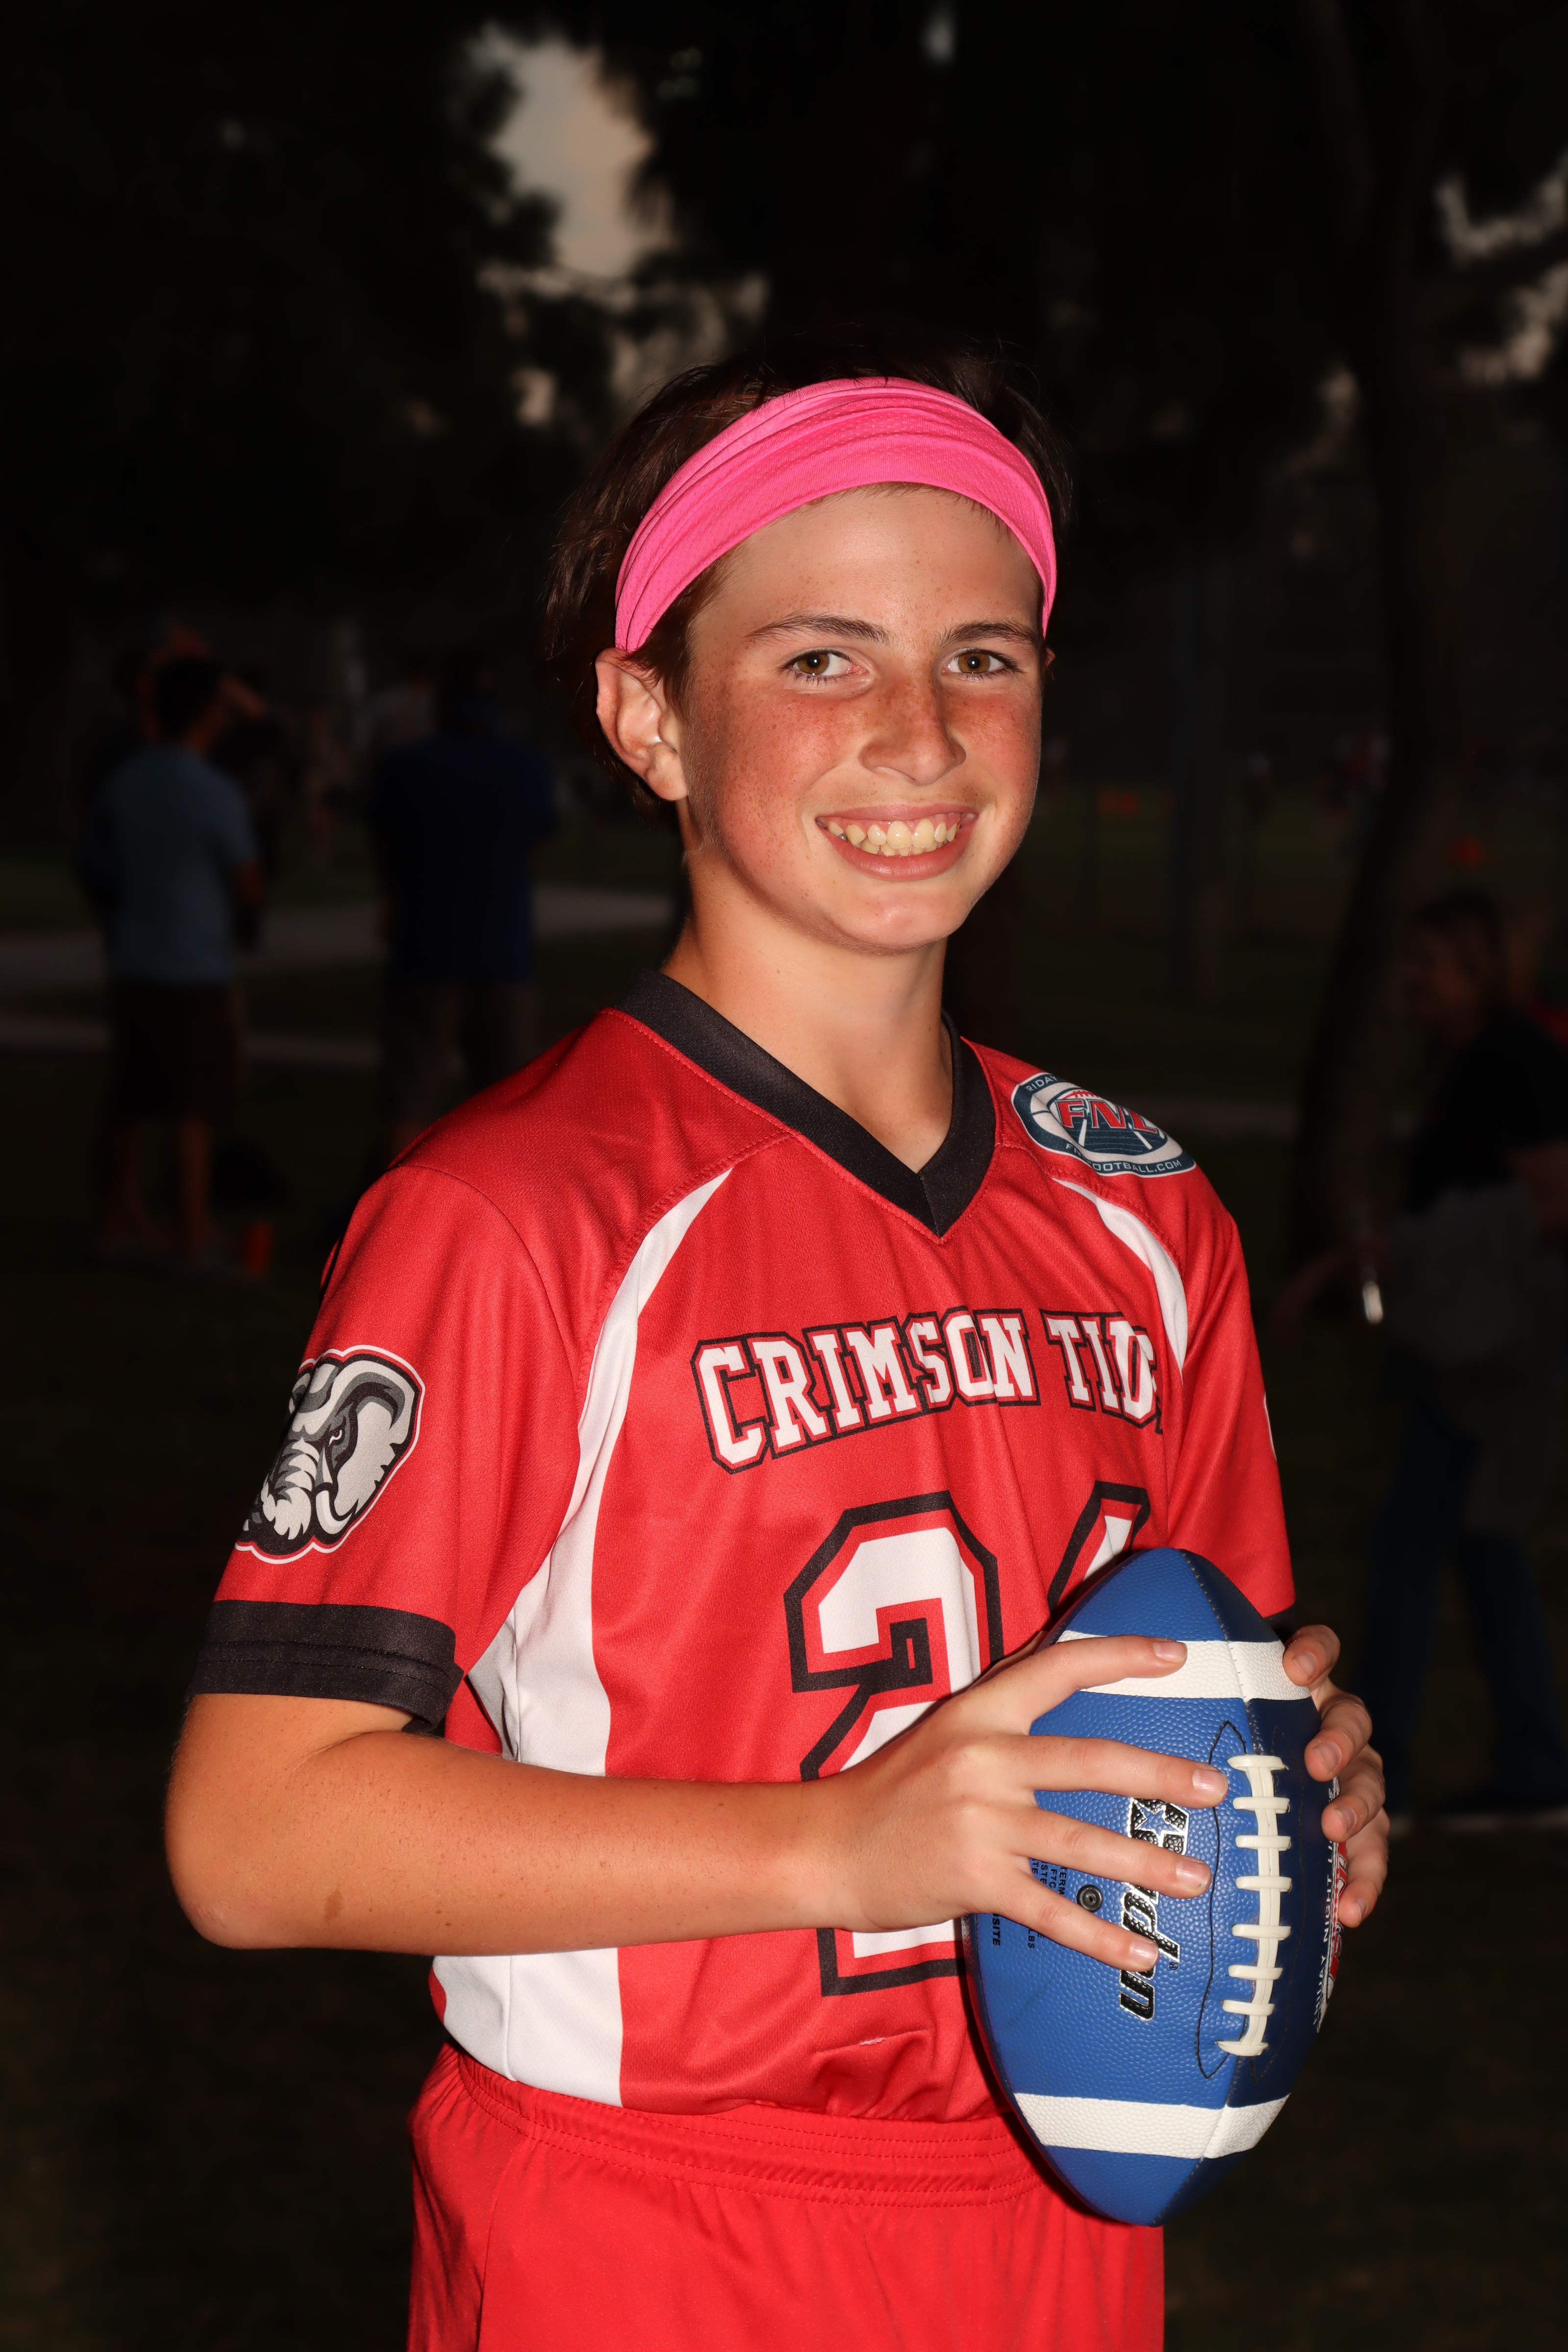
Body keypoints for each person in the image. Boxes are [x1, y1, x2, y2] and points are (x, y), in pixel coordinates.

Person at [166, 348, 1387, 2352]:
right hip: (650, 2238)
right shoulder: (517, 1214)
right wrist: (841, 1843)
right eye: (822, 658)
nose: (920, 733)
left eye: (982, 657)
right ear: (648, 717)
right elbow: (253, 1830)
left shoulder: (1147, 1212)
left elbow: (1198, 1720)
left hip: (1066, 2228)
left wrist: (1301, 1815)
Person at [1362, 892, 1568, 1827]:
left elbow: (1552, 1197)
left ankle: (1387, 1779)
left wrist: (1436, 1258)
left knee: (1412, 1552)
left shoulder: (1512, 1059)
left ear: (1481, 970)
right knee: (1483, 1549)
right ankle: (1535, 1767)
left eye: (1432, 962)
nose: (1416, 979)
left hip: (1490, 1357)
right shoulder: (1474, 1059)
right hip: (1470, 1348)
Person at [78, 655, 262, 1267]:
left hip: (134, 960)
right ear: (208, 712)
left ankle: (113, 1223)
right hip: (195, 967)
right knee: (192, 1107)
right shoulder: (214, 792)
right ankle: (191, 1234)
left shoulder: (125, 782)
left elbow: (98, 863)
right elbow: (246, 880)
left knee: (128, 1100)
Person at [368, 652, 557, 1157]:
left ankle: (395, 1205)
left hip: (426, 946)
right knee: (506, 1107)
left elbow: (386, 845)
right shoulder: (529, 770)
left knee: (410, 1095)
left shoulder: (406, 768)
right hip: (504, 952)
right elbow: (537, 843)